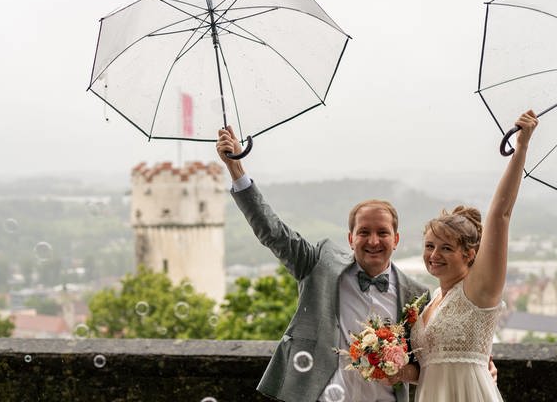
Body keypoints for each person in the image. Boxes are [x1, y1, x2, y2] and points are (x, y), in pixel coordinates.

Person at [216, 126, 430, 402]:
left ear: (396, 239)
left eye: (383, 233)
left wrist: (483, 366)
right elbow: (273, 232)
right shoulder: (320, 264)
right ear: (351, 238)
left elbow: (431, 363)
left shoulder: (417, 296)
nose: (373, 240)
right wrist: (235, 167)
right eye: (364, 232)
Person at [387, 110, 538, 401]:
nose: (434, 255)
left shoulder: (479, 290)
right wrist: (403, 372)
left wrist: (521, 147)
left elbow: (501, 216)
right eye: (430, 246)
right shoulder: (433, 299)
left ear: (469, 254)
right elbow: (432, 368)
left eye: (446, 248)